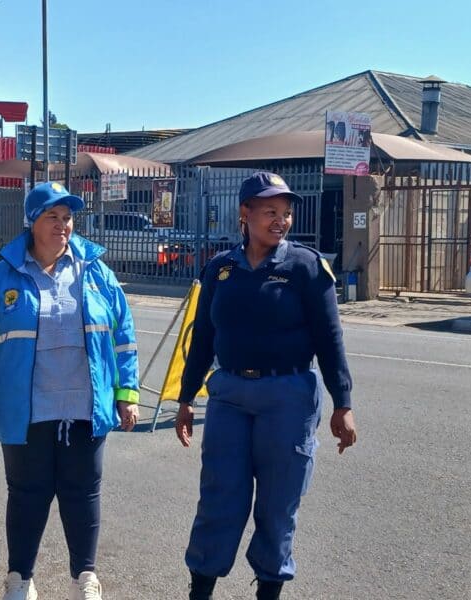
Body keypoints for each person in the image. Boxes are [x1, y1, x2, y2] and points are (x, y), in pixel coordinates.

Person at [175, 172, 357, 600]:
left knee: (278, 505)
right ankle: (200, 590)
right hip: (229, 396)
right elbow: (203, 337)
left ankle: (269, 591)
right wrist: (186, 397)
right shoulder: (220, 269)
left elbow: (330, 338)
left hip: (288, 396)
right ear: (245, 212)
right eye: (270, 211)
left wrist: (343, 402)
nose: (281, 220)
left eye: (286, 213)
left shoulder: (306, 267)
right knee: (219, 497)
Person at [0, 181, 140, 600]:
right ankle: (20, 578)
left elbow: (123, 337)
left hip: (85, 406)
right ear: (32, 222)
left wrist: (127, 393)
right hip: (25, 408)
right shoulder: (1, 277)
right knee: (26, 495)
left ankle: (84, 578)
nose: (62, 225)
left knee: (83, 494)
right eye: (52, 217)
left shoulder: (97, 272)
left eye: (67, 217)